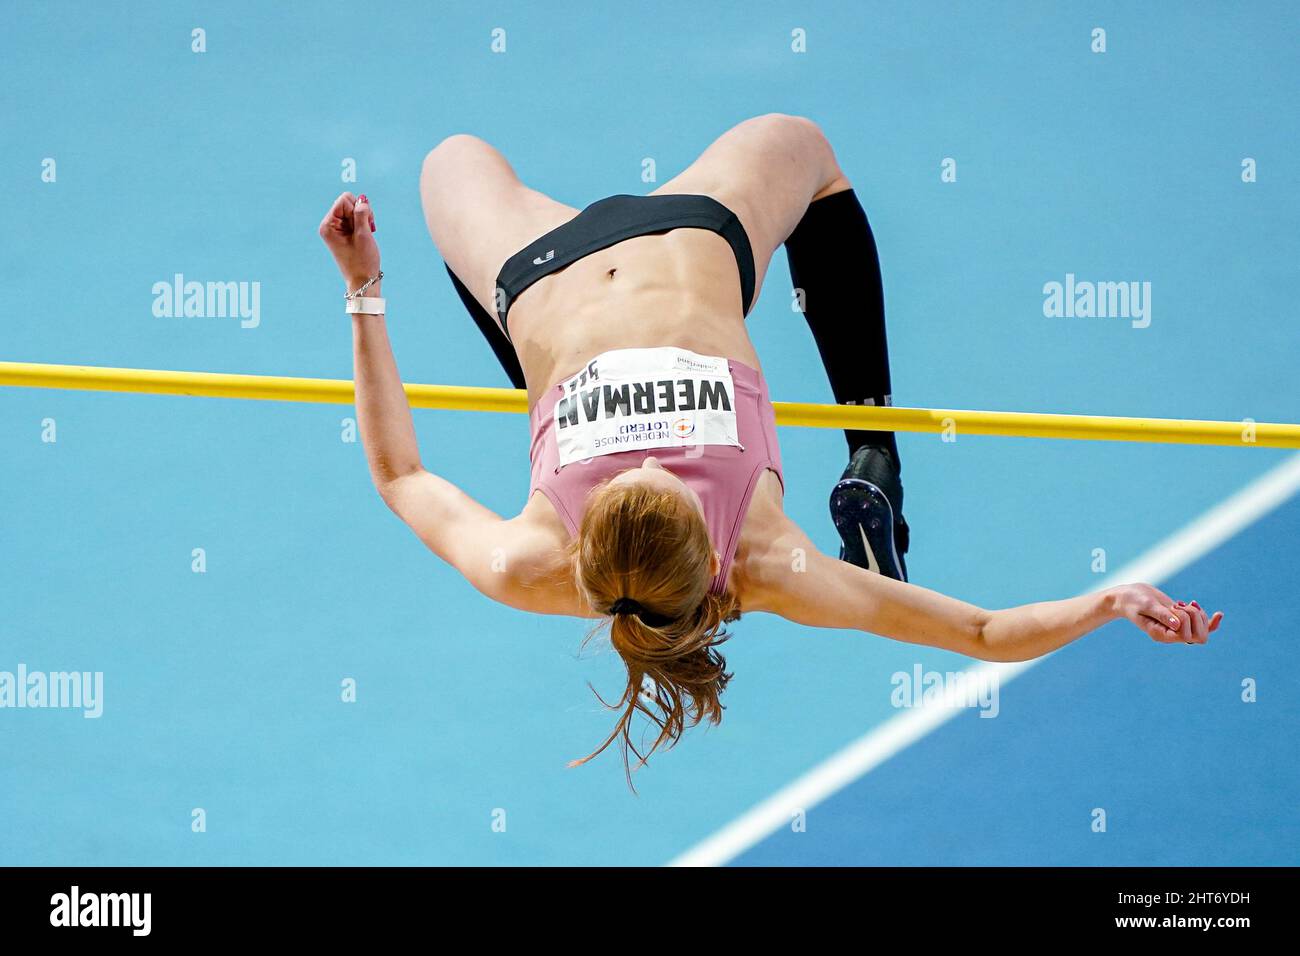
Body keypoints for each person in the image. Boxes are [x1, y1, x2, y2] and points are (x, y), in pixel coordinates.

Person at [319, 114, 1220, 782]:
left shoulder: (529, 559)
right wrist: (1109, 600)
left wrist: (364, 289)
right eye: (665, 477)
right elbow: (982, 632)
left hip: (540, 266)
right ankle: (875, 449)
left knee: (450, 158)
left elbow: (400, 476)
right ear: (715, 552)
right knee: (808, 150)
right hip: (688, 234)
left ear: (583, 546)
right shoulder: (772, 562)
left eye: (622, 474)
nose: (650, 455)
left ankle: (533, 366)